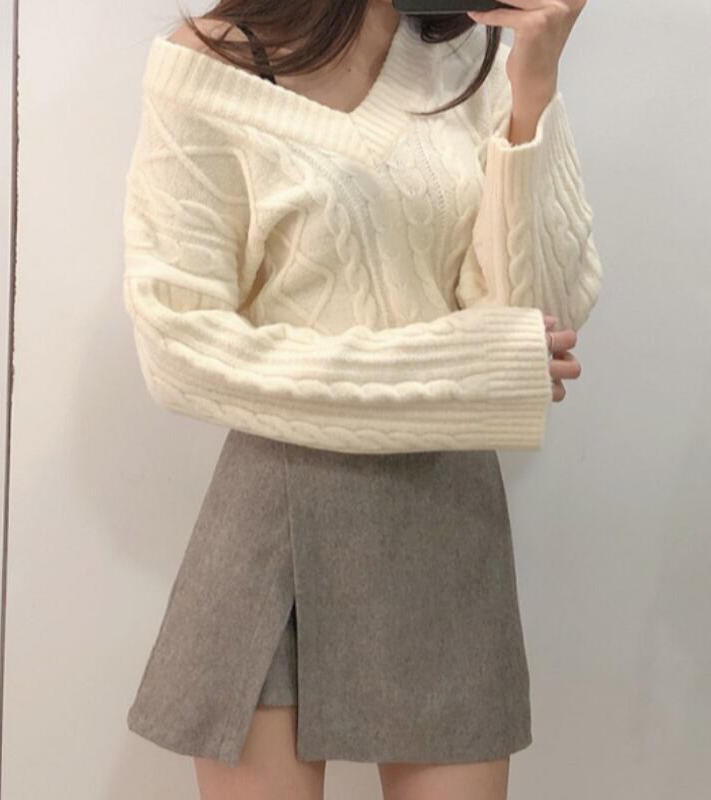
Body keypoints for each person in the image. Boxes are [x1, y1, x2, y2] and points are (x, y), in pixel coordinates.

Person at [121, 1, 601, 798]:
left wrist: (536, 81)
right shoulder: (211, 65)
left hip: (447, 519)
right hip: (276, 522)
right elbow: (180, 348)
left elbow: (536, 322)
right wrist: (465, 369)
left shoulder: (477, 61)